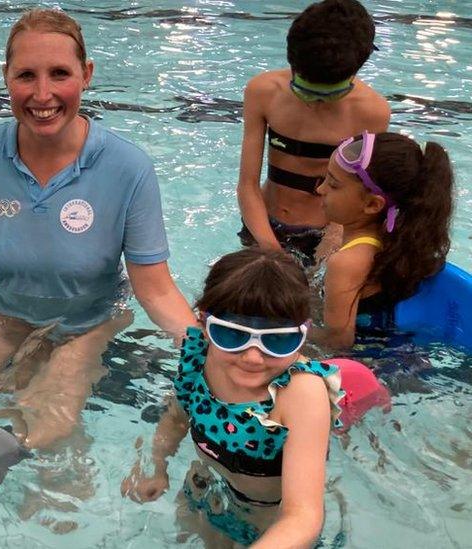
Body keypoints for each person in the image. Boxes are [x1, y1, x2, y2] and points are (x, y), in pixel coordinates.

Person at [0, 8, 195, 449]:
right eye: (26, 75)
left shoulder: (127, 168)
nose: (43, 94)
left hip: (89, 319)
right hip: (6, 311)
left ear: (87, 74)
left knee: (47, 429)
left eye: (59, 73)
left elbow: (155, 289)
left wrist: (206, 349)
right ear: (6, 77)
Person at [121, 248, 342, 548]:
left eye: (278, 340)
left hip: (270, 526)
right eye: (232, 335)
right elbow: (177, 416)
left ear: (304, 332)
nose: (253, 357)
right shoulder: (200, 353)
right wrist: (157, 465)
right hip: (204, 492)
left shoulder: (300, 392)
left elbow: (302, 516)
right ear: (205, 323)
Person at [237, 0, 390, 266]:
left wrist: (332, 242)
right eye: (305, 90)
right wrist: (270, 248)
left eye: (328, 93)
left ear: (356, 71)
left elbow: (359, 194)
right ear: (292, 64)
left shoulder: (372, 112)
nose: (314, 102)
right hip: (262, 224)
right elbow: (247, 185)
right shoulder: (263, 92)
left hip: (324, 233)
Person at [315, 132, 454, 348]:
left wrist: (293, 332)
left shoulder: (347, 262)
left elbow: (337, 341)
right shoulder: (398, 241)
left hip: (371, 363)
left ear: (372, 205)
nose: (320, 189)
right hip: (404, 352)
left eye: (333, 185)